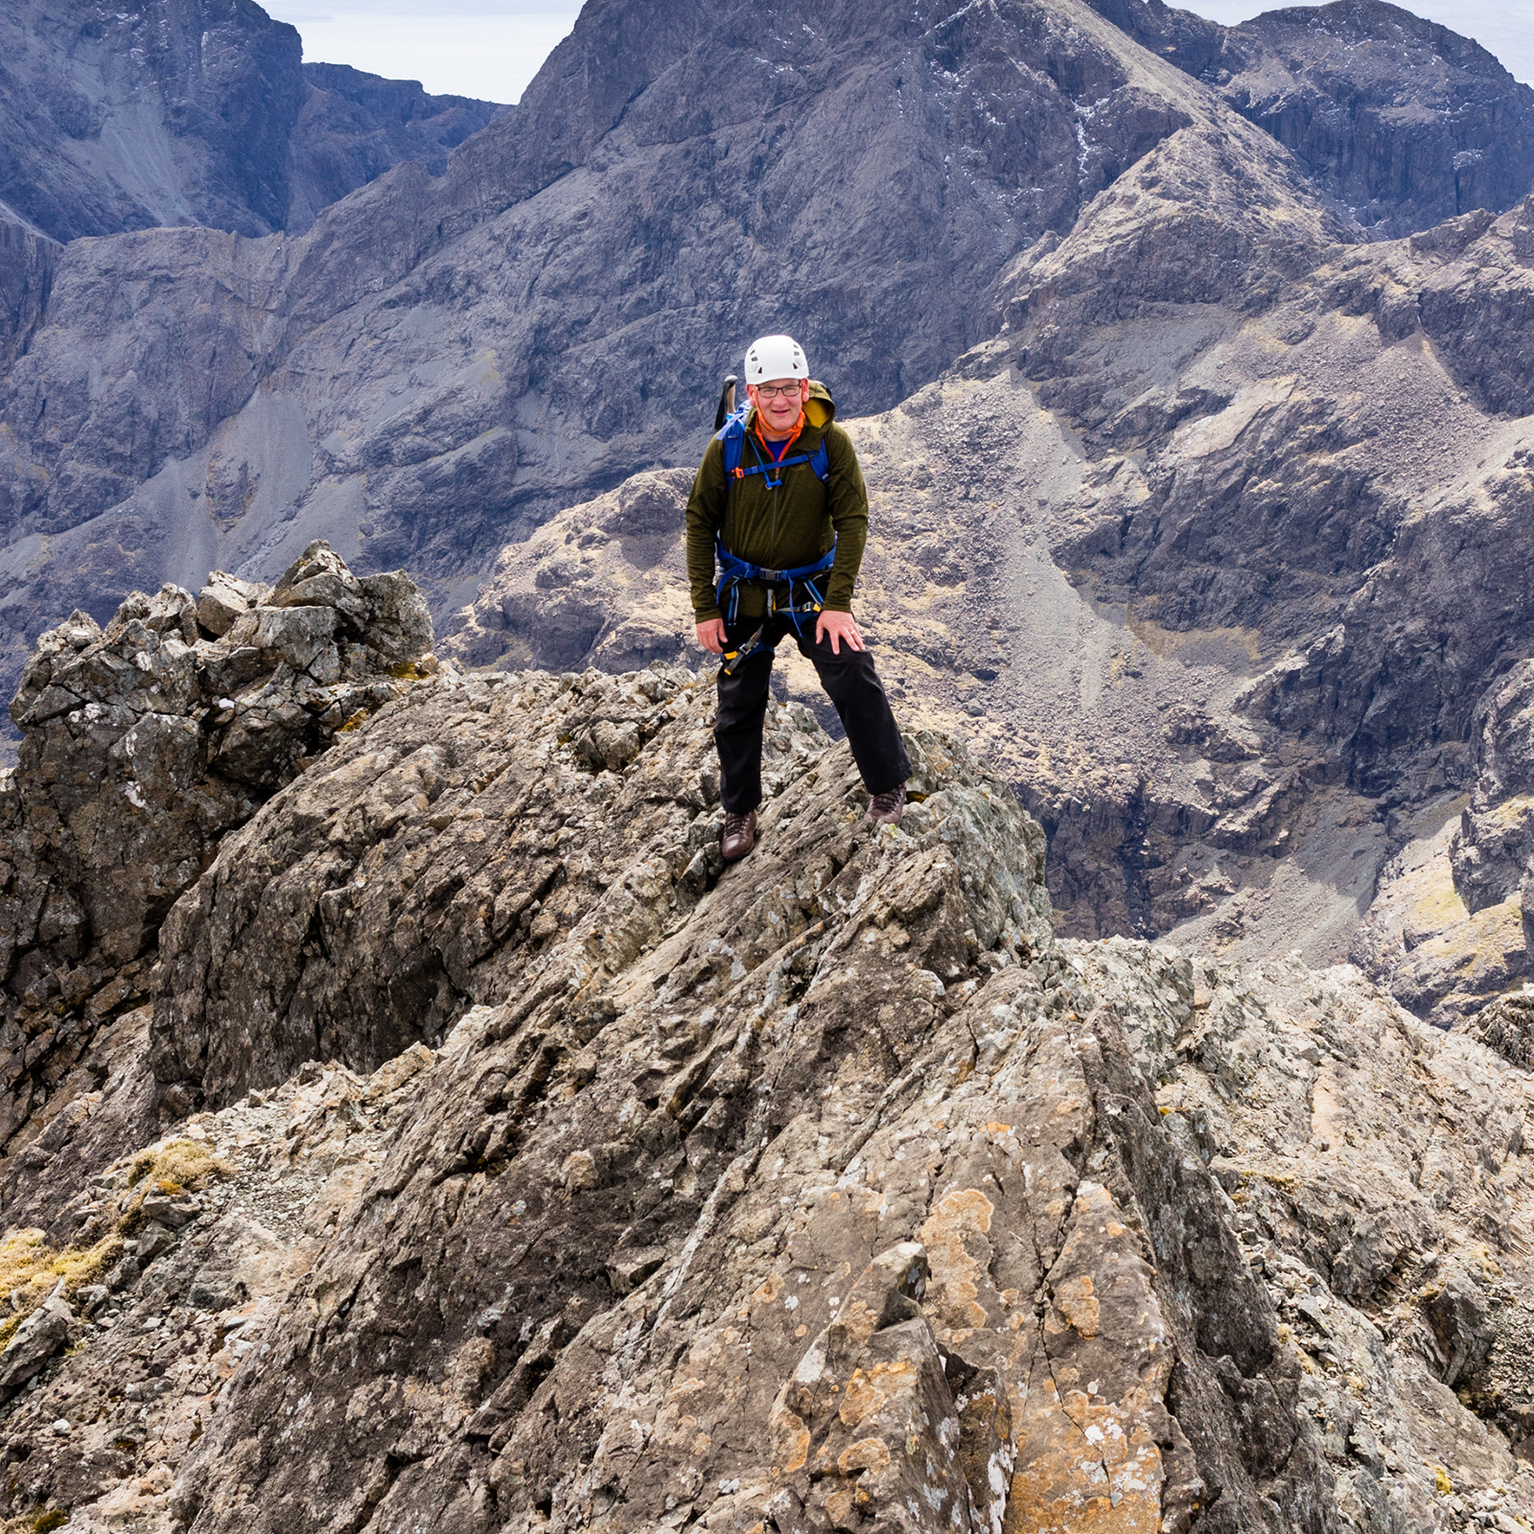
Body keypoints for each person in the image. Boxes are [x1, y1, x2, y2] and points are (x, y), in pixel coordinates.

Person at [686, 333, 910, 862]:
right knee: (738, 703)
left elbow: (853, 521)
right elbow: (699, 523)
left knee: (853, 671)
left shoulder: (830, 443)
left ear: (805, 387)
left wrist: (838, 603)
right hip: (744, 594)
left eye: (789, 389)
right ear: (751, 395)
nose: (781, 401)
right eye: (768, 391)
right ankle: (740, 811)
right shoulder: (727, 448)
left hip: (811, 589)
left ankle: (888, 785)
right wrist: (704, 607)